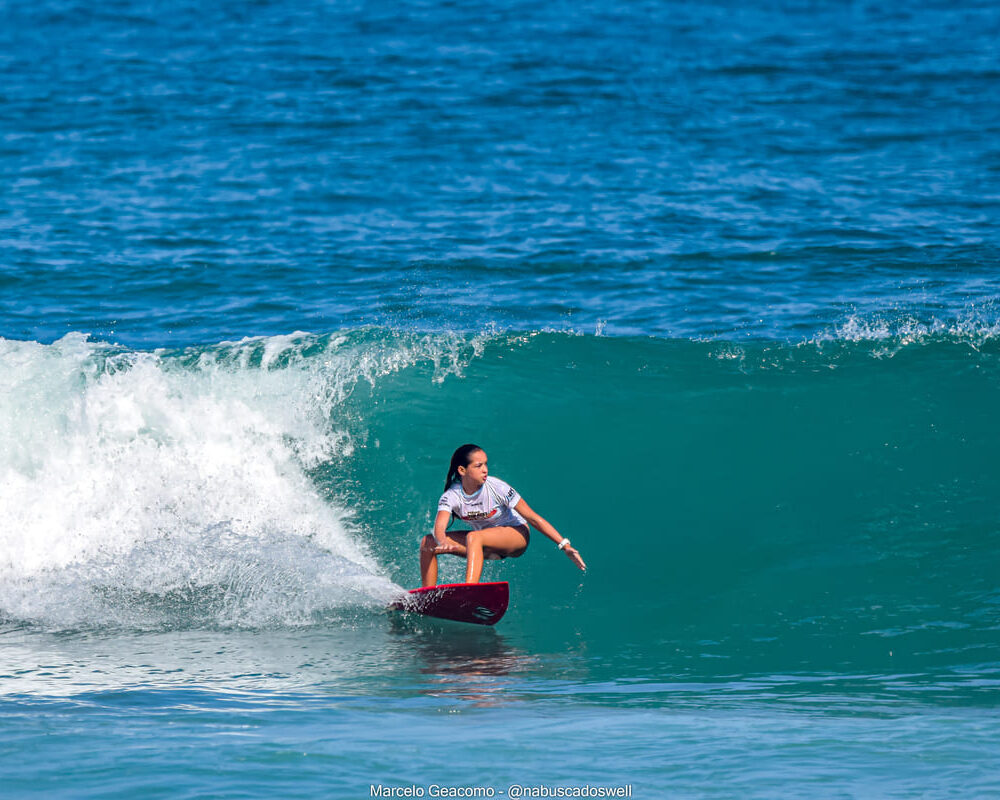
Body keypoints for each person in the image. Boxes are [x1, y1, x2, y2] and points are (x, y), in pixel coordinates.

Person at [420, 443, 587, 586]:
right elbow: (440, 526)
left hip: (516, 535)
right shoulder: (452, 495)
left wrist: (564, 545)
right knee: (428, 543)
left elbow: (532, 518)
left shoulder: (497, 488)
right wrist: (442, 542)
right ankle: (427, 597)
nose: (485, 470)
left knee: (474, 537)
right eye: (478, 466)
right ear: (462, 470)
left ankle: (468, 591)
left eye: (485, 464)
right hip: (483, 544)